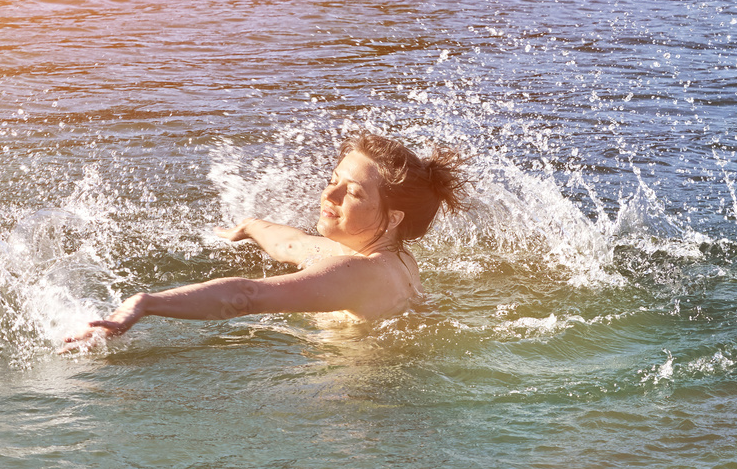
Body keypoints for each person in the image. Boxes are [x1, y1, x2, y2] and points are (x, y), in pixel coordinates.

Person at [59, 132, 470, 353]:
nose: (330, 196)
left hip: (361, 415)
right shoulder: (393, 259)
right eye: (332, 182)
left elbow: (245, 297)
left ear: (394, 216)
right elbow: (297, 246)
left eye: (354, 193)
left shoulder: (356, 273)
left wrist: (146, 303)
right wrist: (252, 226)